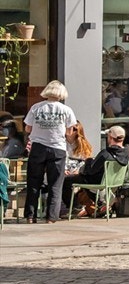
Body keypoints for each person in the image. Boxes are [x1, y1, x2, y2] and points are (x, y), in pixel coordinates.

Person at [22, 80, 76, 223]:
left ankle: (30, 215)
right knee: (55, 184)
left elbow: (27, 128)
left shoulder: (36, 107)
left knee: (34, 182)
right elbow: (69, 132)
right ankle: (51, 217)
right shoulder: (66, 110)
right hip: (57, 148)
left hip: (38, 146)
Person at [65, 126, 129, 216]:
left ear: (110, 137)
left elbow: (91, 171)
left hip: (98, 182)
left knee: (67, 180)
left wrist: (87, 162)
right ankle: (100, 205)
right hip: (115, 182)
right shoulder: (126, 152)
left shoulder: (105, 153)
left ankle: (76, 208)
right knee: (85, 181)